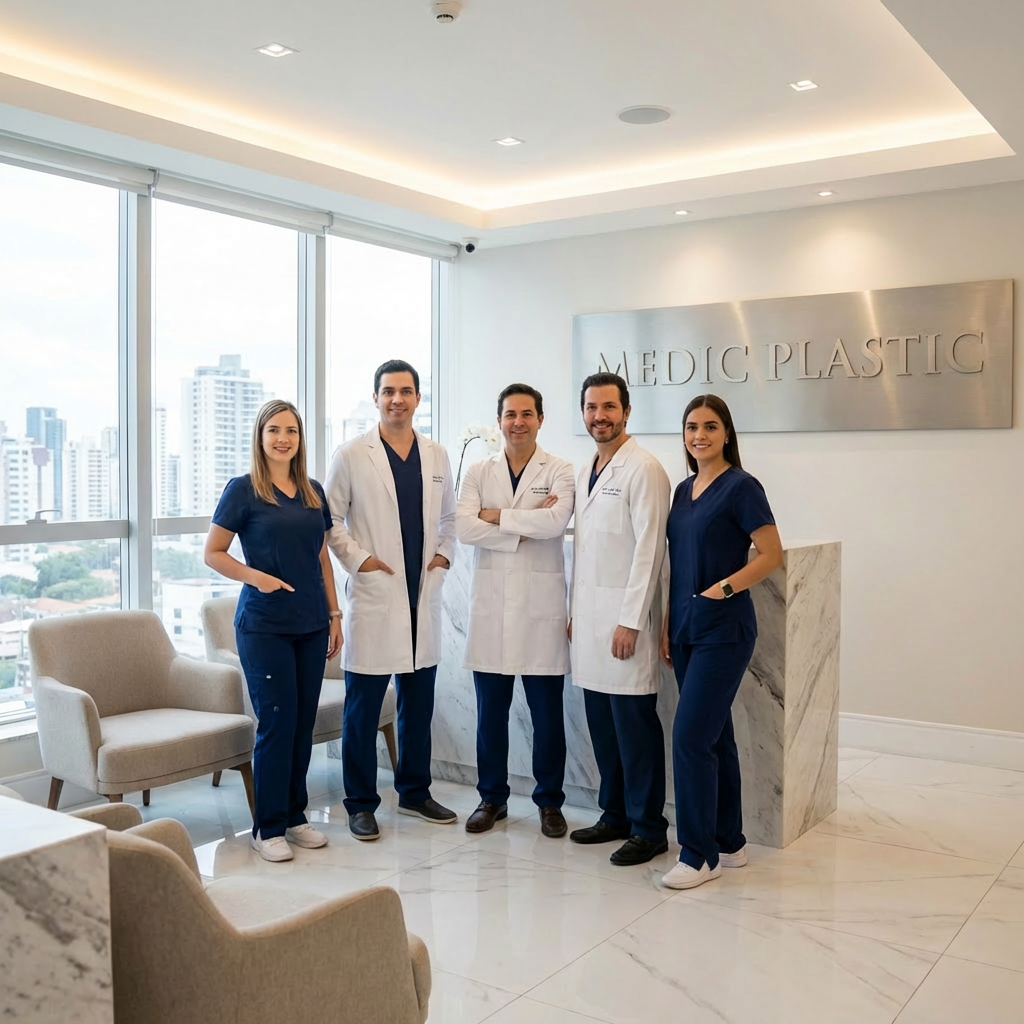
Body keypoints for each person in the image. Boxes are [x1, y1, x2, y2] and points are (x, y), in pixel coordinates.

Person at [324, 359, 457, 841]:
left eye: (405, 391)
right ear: (376, 397)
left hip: (422, 593)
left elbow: (450, 518)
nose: (397, 399)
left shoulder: (437, 455)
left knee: (418, 704)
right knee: (362, 708)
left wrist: (442, 558)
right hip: (376, 595)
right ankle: (360, 802)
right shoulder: (351, 454)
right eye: (388, 391)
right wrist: (360, 561)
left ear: (418, 398)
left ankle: (415, 791)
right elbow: (330, 520)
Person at [204, 399, 342, 863]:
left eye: (292, 431)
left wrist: (335, 615)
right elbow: (214, 552)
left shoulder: (312, 490)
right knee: (278, 722)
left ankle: (296, 816)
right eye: (274, 430)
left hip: (310, 623)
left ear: (300, 440)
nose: (284, 438)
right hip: (264, 627)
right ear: (260, 437)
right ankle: (268, 827)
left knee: (302, 721)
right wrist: (256, 577)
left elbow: (321, 557)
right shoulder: (243, 490)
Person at [659, 394, 783, 889]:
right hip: (687, 627)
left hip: (725, 629)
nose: (700, 435)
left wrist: (722, 589)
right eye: (692, 427)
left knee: (690, 737)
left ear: (727, 432)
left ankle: (697, 854)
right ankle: (729, 842)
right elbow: (678, 562)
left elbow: (771, 553)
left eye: (710, 426)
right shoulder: (683, 490)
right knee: (715, 736)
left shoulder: (742, 487)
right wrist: (671, 621)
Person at [456, 383, 576, 837]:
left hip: (540, 611)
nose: (518, 422)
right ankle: (492, 798)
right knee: (491, 715)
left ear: (540, 419)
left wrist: (496, 516)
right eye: (510, 414)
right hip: (491, 609)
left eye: (527, 414)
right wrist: (521, 525)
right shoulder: (478, 470)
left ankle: (549, 802)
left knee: (547, 718)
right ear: (500, 420)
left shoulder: (560, 469)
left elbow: (555, 522)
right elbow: (465, 527)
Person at [568, 372, 671, 866]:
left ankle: (649, 827)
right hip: (590, 625)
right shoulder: (588, 466)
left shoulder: (644, 469)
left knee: (634, 728)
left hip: (624, 625)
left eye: (609, 407)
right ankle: (615, 815)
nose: (599, 416)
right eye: (591, 407)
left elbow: (650, 551)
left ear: (626, 411)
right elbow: (586, 553)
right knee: (603, 727)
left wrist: (630, 620)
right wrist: (574, 614)